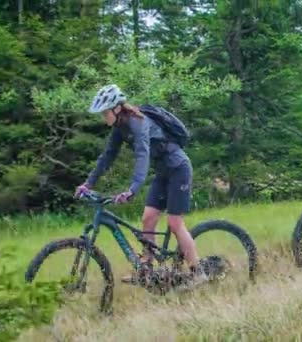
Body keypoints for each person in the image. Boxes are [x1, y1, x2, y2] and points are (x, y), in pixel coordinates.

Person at [74, 84, 207, 289]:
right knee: (148, 218)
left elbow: (142, 155)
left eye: (104, 112)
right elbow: (107, 156)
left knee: (174, 222)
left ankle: (198, 272)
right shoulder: (120, 128)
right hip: (163, 172)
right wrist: (88, 183)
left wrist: (133, 188)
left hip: (179, 169)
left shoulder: (138, 123)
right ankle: (147, 269)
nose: (103, 117)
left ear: (116, 109)